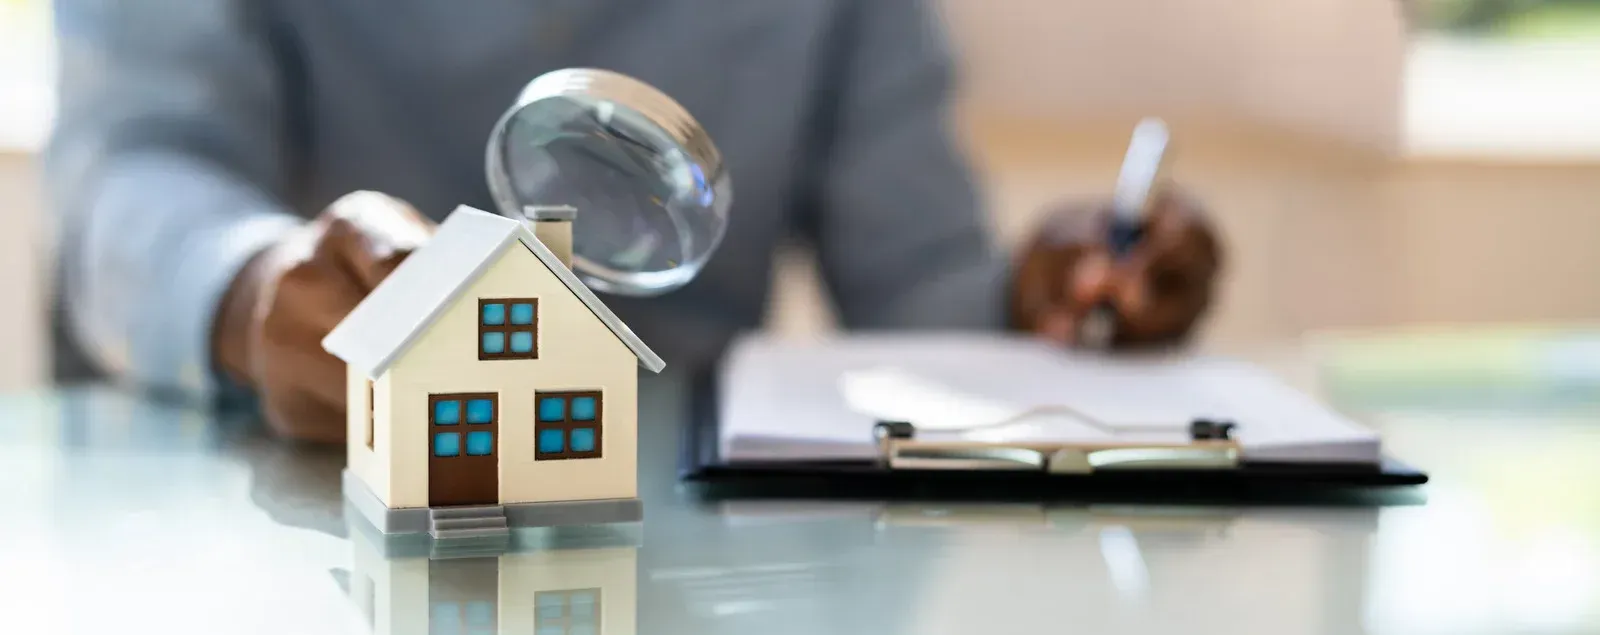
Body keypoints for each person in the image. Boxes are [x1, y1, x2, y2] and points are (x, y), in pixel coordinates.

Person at [43, 0, 1222, 442]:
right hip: (292, 488)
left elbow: (918, 284)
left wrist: (1049, 297)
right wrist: (254, 290)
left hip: (692, 530)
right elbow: (132, 171)